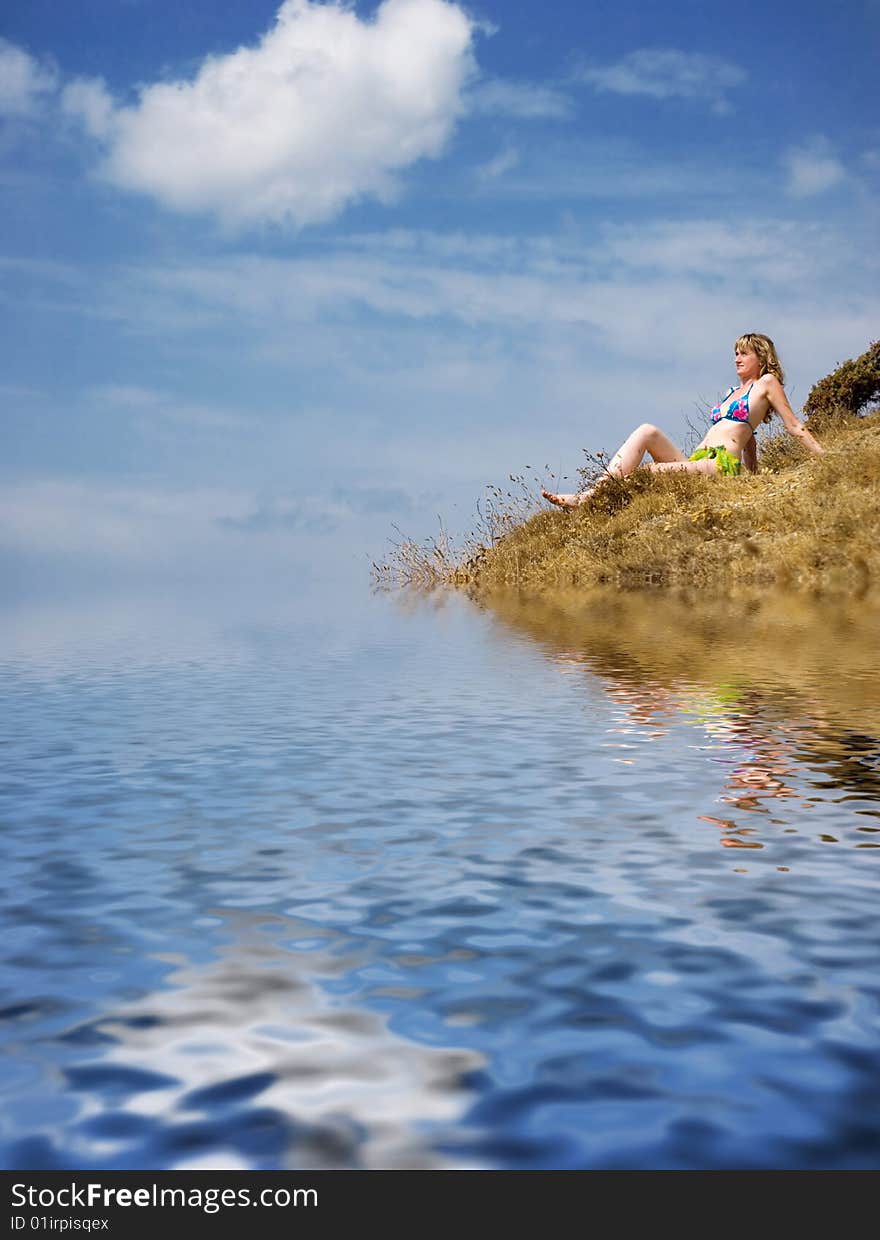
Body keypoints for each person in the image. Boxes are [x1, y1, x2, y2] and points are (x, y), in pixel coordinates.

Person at [541, 333, 824, 507]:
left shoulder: (766, 383)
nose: (737, 358)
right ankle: (593, 495)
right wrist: (754, 475)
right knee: (646, 431)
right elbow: (748, 438)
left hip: (722, 465)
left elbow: (793, 425)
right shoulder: (731, 393)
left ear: (761, 357)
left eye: (744, 353)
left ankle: (594, 502)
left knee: (651, 472)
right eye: (735, 353)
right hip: (699, 459)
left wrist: (825, 457)